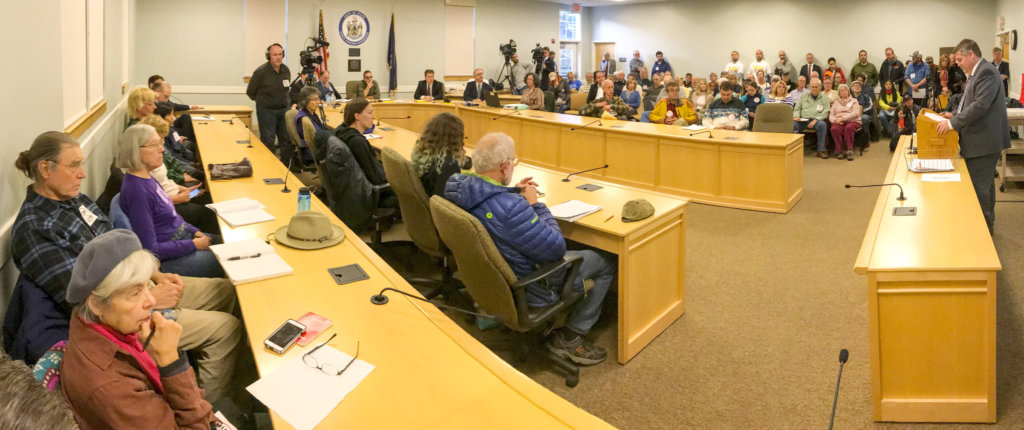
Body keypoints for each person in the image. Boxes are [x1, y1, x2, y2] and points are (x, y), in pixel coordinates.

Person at [11, 131, 242, 402]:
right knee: (226, 329)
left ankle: (206, 373)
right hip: (118, 317)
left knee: (227, 290)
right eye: (74, 166)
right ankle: (203, 411)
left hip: (138, 288)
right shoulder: (35, 227)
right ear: (45, 169)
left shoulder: (77, 201)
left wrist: (156, 274)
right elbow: (82, 303)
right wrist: (151, 297)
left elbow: (120, 245)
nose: (83, 174)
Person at [444, 132, 614, 365]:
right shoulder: (511, 210)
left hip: (491, 280)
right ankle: (571, 335)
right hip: (533, 285)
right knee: (605, 262)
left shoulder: (457, 187)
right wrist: (535, 205)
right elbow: (557, 248)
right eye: (513, 162)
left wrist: (511, 193)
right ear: (505, 166)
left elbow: (498, 209)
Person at [60, 229, 222, 429]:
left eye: (147, 286)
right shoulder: (109, 387)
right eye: (135, 293)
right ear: (96, 304)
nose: (151, 300)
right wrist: (172, 362)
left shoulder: (114, 328)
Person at [116, 125, 224, 278]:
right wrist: (193, 244)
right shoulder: (137, 191)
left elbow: (174, 216)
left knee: (235, 243)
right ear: (135, 150)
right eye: (154, 145)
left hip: (183, 237)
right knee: (230, 259)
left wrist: (194, 231)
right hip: (171, 257)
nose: (162, 149)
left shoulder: (147, 177)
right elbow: (150, 249)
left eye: (160, 144)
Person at [936, 39, 1011, 234]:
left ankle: (982, 234)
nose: (958, 64)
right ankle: (988, 225)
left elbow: (980, 105)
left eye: (960, 60)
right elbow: (968, 102)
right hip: (982, 140)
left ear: (971, 55)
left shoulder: (986, 72)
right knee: (986, 186)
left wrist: (952, 123)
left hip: (983, 142)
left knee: (979, 189)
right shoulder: (976, 73)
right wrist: (954, 114)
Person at [138, 114, 218, 235]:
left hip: (179, 193)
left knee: (208, 195)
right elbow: (151, 201)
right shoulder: (144, 165)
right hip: (172, 202)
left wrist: (184, 189)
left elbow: (166, 181)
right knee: (207, 212)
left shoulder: (154, 157)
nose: (162, 147)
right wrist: (177, 197)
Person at [246, 43, 292, 159]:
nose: (278, 57)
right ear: (269, 56)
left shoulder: (286, 70)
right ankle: (268, 164)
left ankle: (286, 165)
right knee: (268, 141)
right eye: (275, 55)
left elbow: (286, 88)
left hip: (284, 110)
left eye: (280, 54)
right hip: (266, 111)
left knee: (286, 140)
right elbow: (250, 92)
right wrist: (263, 101)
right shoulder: (260, 72)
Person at [412, 112, 471, 198]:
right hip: (434, 204)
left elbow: (465, 162)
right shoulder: (449, 166)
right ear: (456, 139)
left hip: (422, 200)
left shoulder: (424, 153)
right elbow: (444, 202)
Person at [338, 98, 388, 186]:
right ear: (357, 116)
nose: (373, 117)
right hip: (374, 190)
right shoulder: (358, 142)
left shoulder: (344, 133)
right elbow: (377, 179)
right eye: (370, 113)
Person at [793, 78, 831, 158]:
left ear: (820, 87)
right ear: (810, 87)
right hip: (803, 120)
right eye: (812, 87)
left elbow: (826, 112)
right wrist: (796, 116)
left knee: (822, 125)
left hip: (816, 120)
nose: (814, 89)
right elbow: (797, 109)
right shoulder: (803, 97)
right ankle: (796, 149)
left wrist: (816, 120)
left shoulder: (825, 99)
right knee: (793, 125)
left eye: (816, 87)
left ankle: (821, 150)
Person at [828, 84, 862, 160]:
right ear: (839, 93)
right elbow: (831, 115)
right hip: (839, 121)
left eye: (845, 90)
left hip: (853, 120)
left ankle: (849, 150)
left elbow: (856, 113)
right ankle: (840, 151)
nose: (844, 92)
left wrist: (842, 118)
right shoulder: (836, 103)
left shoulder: (854, 101)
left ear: (848, 91)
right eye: (842, 90)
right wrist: (835, 121)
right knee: (834, 129)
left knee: (848, 128)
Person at [295, 85, 327, 165]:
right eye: (314, 99)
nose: (318, 102)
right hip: (313, 152)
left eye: (318, 99)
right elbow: (318, 136)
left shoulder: (312, 114)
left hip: (319, 146)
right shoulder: (304, 118)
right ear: (305, 101)